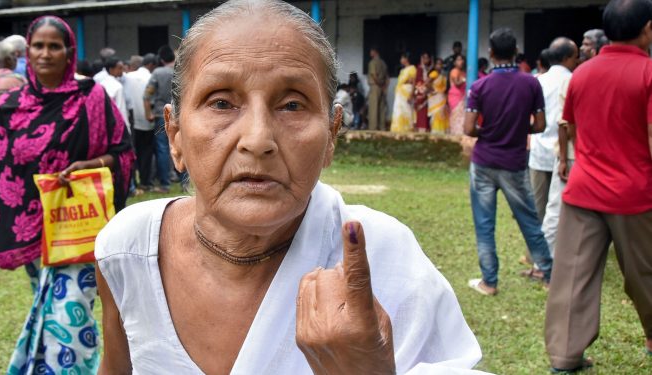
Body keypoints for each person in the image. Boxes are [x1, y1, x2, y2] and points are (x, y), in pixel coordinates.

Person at [95, 1, 484, 374]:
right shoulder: (128, 250)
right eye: (222, 103)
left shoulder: (386, 259)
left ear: (331, 133)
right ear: (175, 134)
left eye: (293, 105)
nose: (258, 139)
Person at [0, 16, 134, 374]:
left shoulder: (92, 98)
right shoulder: (10, 106)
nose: (46, 54)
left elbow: (123, 151)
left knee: (71, 313)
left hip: (79, 229)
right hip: (34, 231)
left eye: (55, 46)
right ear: (27, 50)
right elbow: (0, 167)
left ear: (69, 52)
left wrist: (89, 163)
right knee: (46, 309)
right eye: (38, 45)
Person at [545, 0, 652, 371]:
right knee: (645, 274)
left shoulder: (583, 75)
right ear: (647, 29)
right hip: (634, 194)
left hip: (583, 189)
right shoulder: (648, 73)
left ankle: (564, 356)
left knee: (573, 275)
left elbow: (569, 126)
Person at [463, 28, 552, 296]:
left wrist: (488, 132)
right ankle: (549, 275)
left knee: (484, 224)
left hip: (484, 162)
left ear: (490, 53)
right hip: (514, 162)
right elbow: (540, 124)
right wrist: (517, 129)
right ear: (516, 52)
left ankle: (489, 282)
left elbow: (468, 128)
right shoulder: (531, 83)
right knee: (529, 221)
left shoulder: (480, 86)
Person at [541, 29, 607, 254]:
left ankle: (548, 261)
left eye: (586, 44)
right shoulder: (576, 77)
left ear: (598, 48)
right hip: (579, 154)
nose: (582, 49)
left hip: (575, 154)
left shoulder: (576, 77)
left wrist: (564, 157)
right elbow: (565, 123)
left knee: (558, 208)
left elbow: (565, 123)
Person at [529, 37, 579, 255]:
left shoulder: (539, 80)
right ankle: (557, 254)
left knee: (538, 209)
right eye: (576, 57)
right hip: (565, 153)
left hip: (539, 152)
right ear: (568, 58)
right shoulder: (575, 80)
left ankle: (536, 256)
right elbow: (568, 122)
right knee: (559, 211)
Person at [0, 41, 27, 158]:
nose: (16, 59)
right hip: (14, 139)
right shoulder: (18, 81)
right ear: (8, 59)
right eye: (14, 56)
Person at [143, 45, 177, 193]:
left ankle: (165, 184)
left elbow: (146, 95)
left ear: (161, 59)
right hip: (180, 114)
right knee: (182, 145)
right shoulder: (180, 71)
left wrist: (148, 113)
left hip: (160, 115)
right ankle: (185, 182)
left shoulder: (158, 72)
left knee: (163, 149)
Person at [125, 53, 158, 192]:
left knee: (132, 152)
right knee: (146, 153)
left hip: (131, 121)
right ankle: (145, 181)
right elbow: (152, 99)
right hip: (147, 121)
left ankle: (133, 182)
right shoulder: (151, 77)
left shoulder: (127, 77)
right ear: (151, 65)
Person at [99, 56, 130, 130]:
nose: (122, 70)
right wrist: (127, 128)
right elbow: (121, 110)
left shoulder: (101, 84)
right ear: (111, 69)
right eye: (119, 68)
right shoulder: (117, 86)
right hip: (117, 124)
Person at [390, 53, 416, 133]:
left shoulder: (412, 68)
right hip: (400, 93)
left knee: (407, 110)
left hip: (407, 92)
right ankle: (398, 129)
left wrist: (411, 94)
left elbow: (414, 82)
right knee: (398, 110)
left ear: (406, 59)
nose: (401, 60)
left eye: (402, 58)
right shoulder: (402, 70)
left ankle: (407, 128)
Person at [367, 47, 388, 131]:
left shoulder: (372, 62)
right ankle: (382, 127)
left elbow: (373, 75)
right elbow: (387, 77)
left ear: (375, 52)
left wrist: (379, 84)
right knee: (382, 108)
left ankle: (373, 128)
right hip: (382, 87)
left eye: (371, 51)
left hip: (375, 86)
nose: (370, 53)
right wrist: (384, 87)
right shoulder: (383, 63)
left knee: (373, 107)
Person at [428, 58, 449, 134]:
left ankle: (442, 132)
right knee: (436, 115)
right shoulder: (434, 74)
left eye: (440, 64)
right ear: (435, 65)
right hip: (435, 98)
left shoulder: (442, 75)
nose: (439, 66)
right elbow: (427, 83)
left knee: (442, 114)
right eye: (437, 64)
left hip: (442, 98)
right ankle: (436, 132)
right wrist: (432, 90)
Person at [448, 55, 466, 135]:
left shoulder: (463, 72)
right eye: (458, 60)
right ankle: (456, 134)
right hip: (455, 97)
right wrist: (464, 79)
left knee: (462, 118)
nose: (461, 61)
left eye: (462, 59)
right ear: (455, 62)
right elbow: (457, 83)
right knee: (457, 117)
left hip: (462, 96)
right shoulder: (454, 71)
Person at [414, 52, 432, 132]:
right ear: (421, 58)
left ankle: (426, 129)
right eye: (424, 58)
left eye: (427, 58)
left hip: (428, 94)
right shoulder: (419, 68)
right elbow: (417, 82)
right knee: (421, 113)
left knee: (426, 113)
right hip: (421, 94)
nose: (426, 60)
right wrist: (424, 91)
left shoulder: (429, 69)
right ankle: (421, 129)